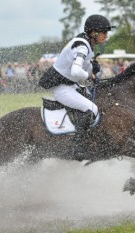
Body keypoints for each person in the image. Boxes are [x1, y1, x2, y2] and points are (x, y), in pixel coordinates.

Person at [38, 14, 115, 158]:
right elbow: (75, 71)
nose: (106, 35)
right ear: (94, 32)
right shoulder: (82, 46)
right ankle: (78, 148)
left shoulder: (86, 44)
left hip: (70, 86)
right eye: (104, 32)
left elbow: (83, 68)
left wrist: (92, 72)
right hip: (63, 89)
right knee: (91, 108)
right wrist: (88, 75)